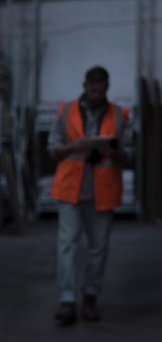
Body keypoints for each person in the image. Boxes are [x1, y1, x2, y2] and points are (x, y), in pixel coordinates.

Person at [48, 66, 133, 325]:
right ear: (84, 85)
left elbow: (130, 154)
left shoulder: (120, 115)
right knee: (67, 246)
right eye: (92, 89)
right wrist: (76, 146)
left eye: (101, 89)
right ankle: (67, 300)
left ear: (107, 87)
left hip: (103, 191)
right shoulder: (65, 112)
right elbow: (52, 148)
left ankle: (91, 298)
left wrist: (111, 150)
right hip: (70, 189)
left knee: (98, 249)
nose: (96, 94)